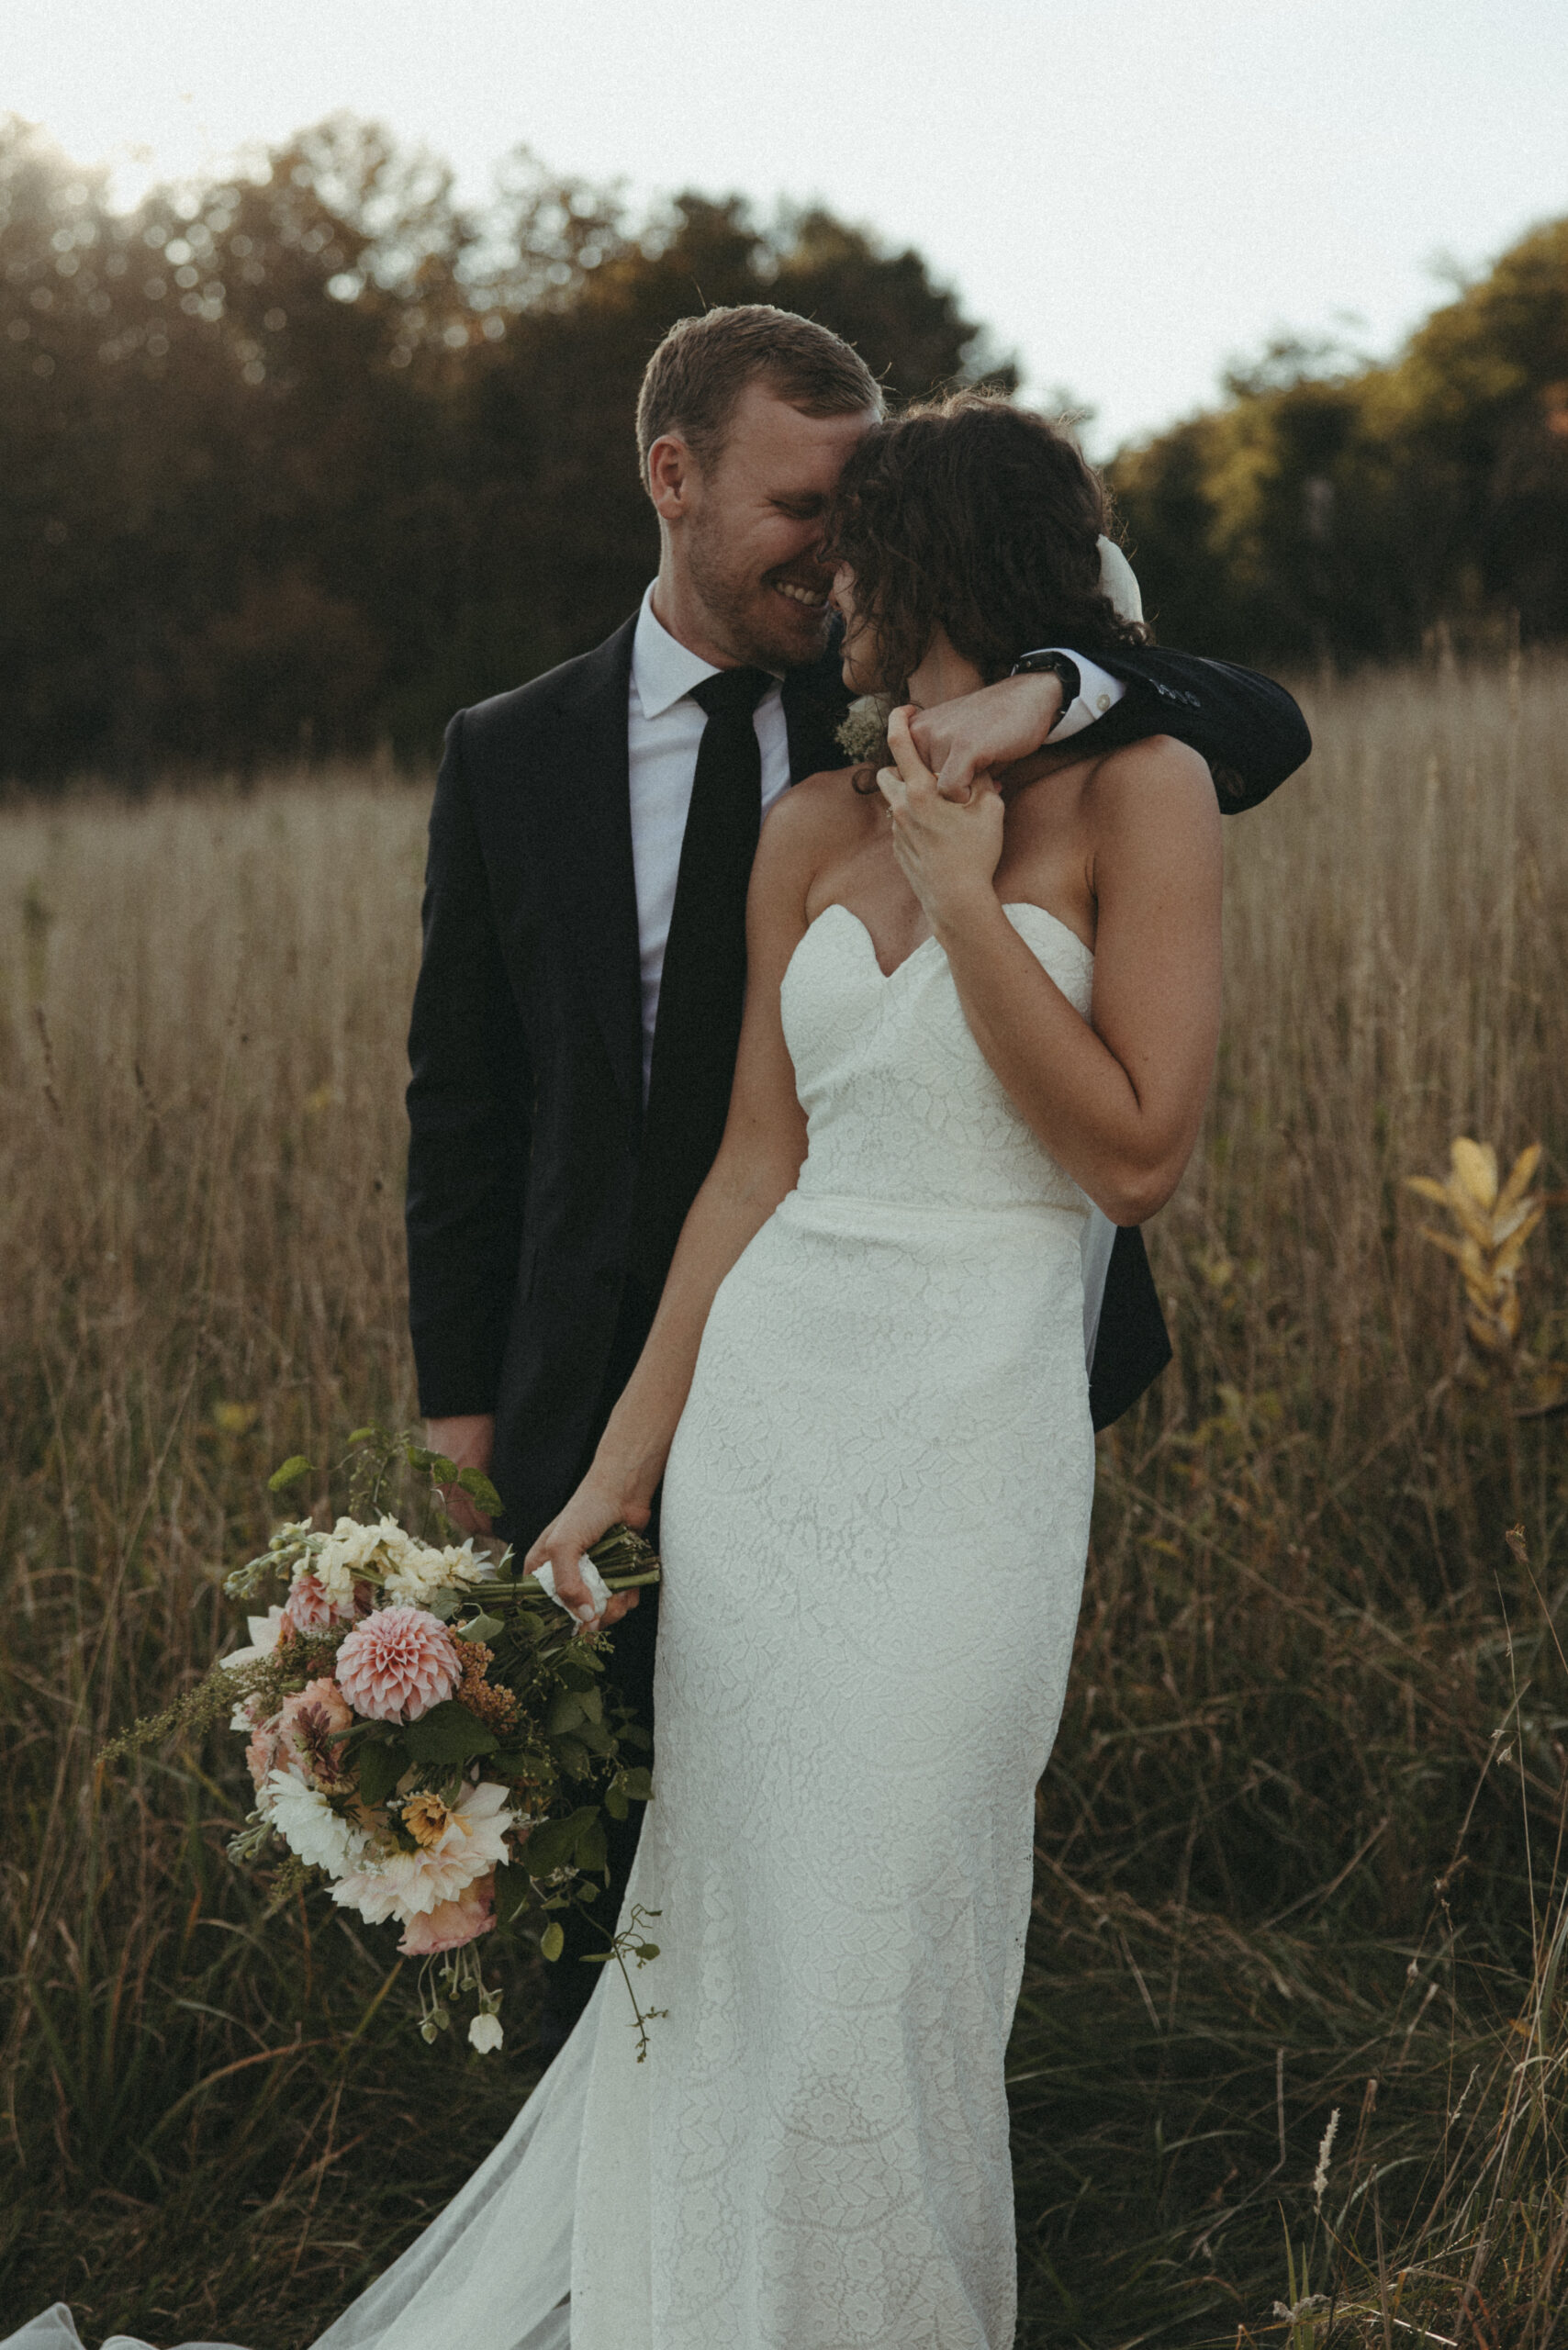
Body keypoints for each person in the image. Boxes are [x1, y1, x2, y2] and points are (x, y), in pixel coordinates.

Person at [8, 385, 1244, 2350]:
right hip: (769, 1425)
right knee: (737, 1919)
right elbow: (752, 1168)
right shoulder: (810, 821)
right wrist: (611, 1472)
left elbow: (1136, 1155)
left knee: (897, 1911)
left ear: (930, 565)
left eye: (856, 553)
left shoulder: (1143, 789)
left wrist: (960, 893)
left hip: (975, 1444)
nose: (827, 590)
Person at [404, 305, 1310, 2055]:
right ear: (674, 478)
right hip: (653, 1360)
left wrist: (1050, 690)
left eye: (862, 520)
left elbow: (1253, 724)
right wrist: (483, 1446)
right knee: (642, 1875)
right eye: (801, 510)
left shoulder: (1023, 738)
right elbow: (473, 1121)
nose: (831, 564)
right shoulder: (518, 754)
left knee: (884, 1860)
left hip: (967, 1397)